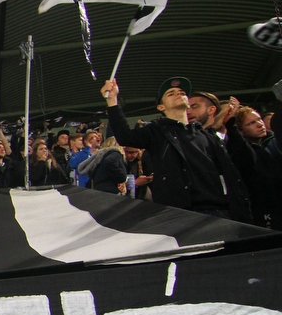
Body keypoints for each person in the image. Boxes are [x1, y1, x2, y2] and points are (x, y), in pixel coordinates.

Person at [102, 77, 251, 221]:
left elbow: (231, 171)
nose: (179, 94)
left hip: (218, 213)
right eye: (171, 93)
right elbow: (125, 137)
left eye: (182, 93)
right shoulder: (156, 132)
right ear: (161, 107)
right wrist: (112, 100)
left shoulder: (207, 136)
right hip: (180, 214)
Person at [222, 102, 282, 229]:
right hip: (262, 213)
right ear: (241, 131)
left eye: (259, 119)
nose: (259, 124)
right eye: (251, 123)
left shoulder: (273, 145)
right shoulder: (240, 152)